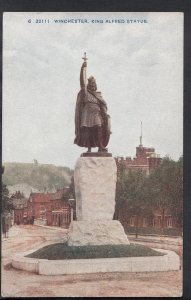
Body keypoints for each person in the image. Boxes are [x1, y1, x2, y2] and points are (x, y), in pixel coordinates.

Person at [74, 60, 111, 152]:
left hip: (97, 115)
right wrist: (82, 68)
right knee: (88, 132)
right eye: (91, 84)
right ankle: (89, 149)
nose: (93, 86)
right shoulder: (85, 93)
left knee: (99, 128)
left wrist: (105, 114)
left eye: (94, 84)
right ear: (89, 85)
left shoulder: (98, 94)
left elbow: (103, 105)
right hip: (87, 115)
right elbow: (82, 82)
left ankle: (101, 147)